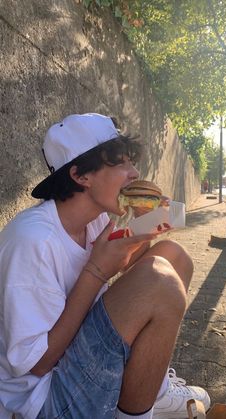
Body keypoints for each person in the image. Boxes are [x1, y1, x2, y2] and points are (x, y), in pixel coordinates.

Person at [0, 113, 210, 419]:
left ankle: (153, 391)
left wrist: (147, 220)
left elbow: (129, 271)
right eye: (120, 163)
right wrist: (95, 273)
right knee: (162, 283)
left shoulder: (96, 218)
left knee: (171, 255)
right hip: (45, 398)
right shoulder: (32, 241)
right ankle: (137, 412)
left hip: (79, 358)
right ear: (81, 176)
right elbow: (39, 363)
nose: (134, 172)